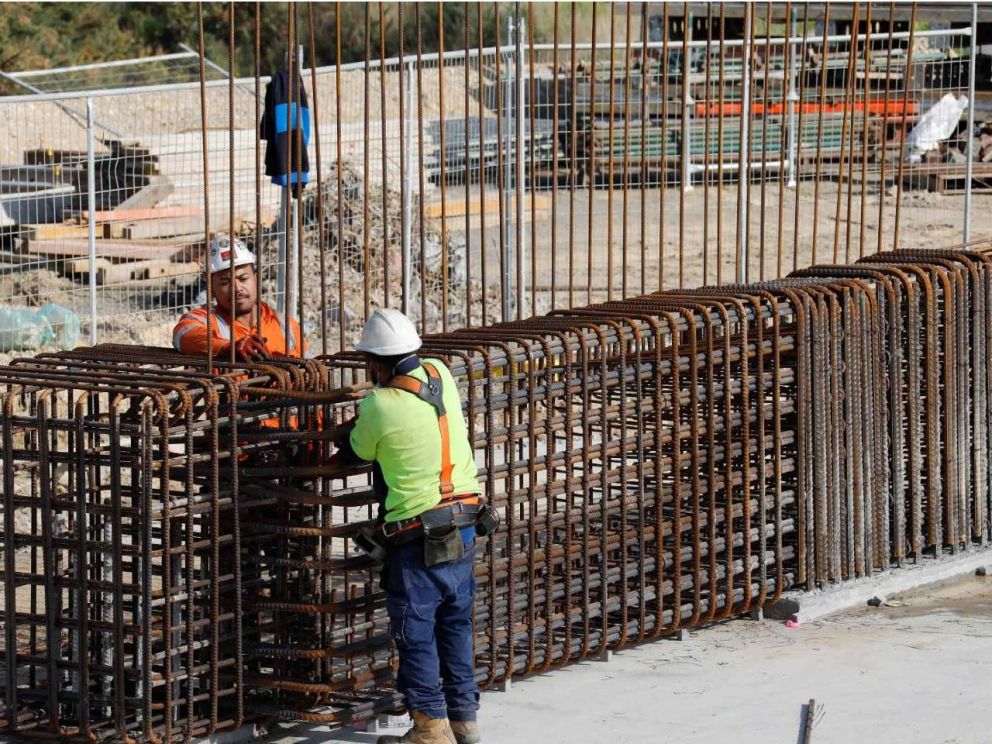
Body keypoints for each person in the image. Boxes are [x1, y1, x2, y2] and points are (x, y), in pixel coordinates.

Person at [335, 308, 484, 744]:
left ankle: (430, 730)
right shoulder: (440, 371)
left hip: (418, 535)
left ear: (376, 363)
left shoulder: (379, 403)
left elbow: (357, 450)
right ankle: (464, 720)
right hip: (465, 520)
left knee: (414, 632)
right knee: (455, 622)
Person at [172, 236, 304, 360]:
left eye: (243, 278)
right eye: (225, 282)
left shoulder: (284, 325)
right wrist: (227, 348)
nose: (237, 288)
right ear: (211, 290)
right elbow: (182, 336)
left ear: (256, 280)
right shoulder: (203, 320)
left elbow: (309, 366)